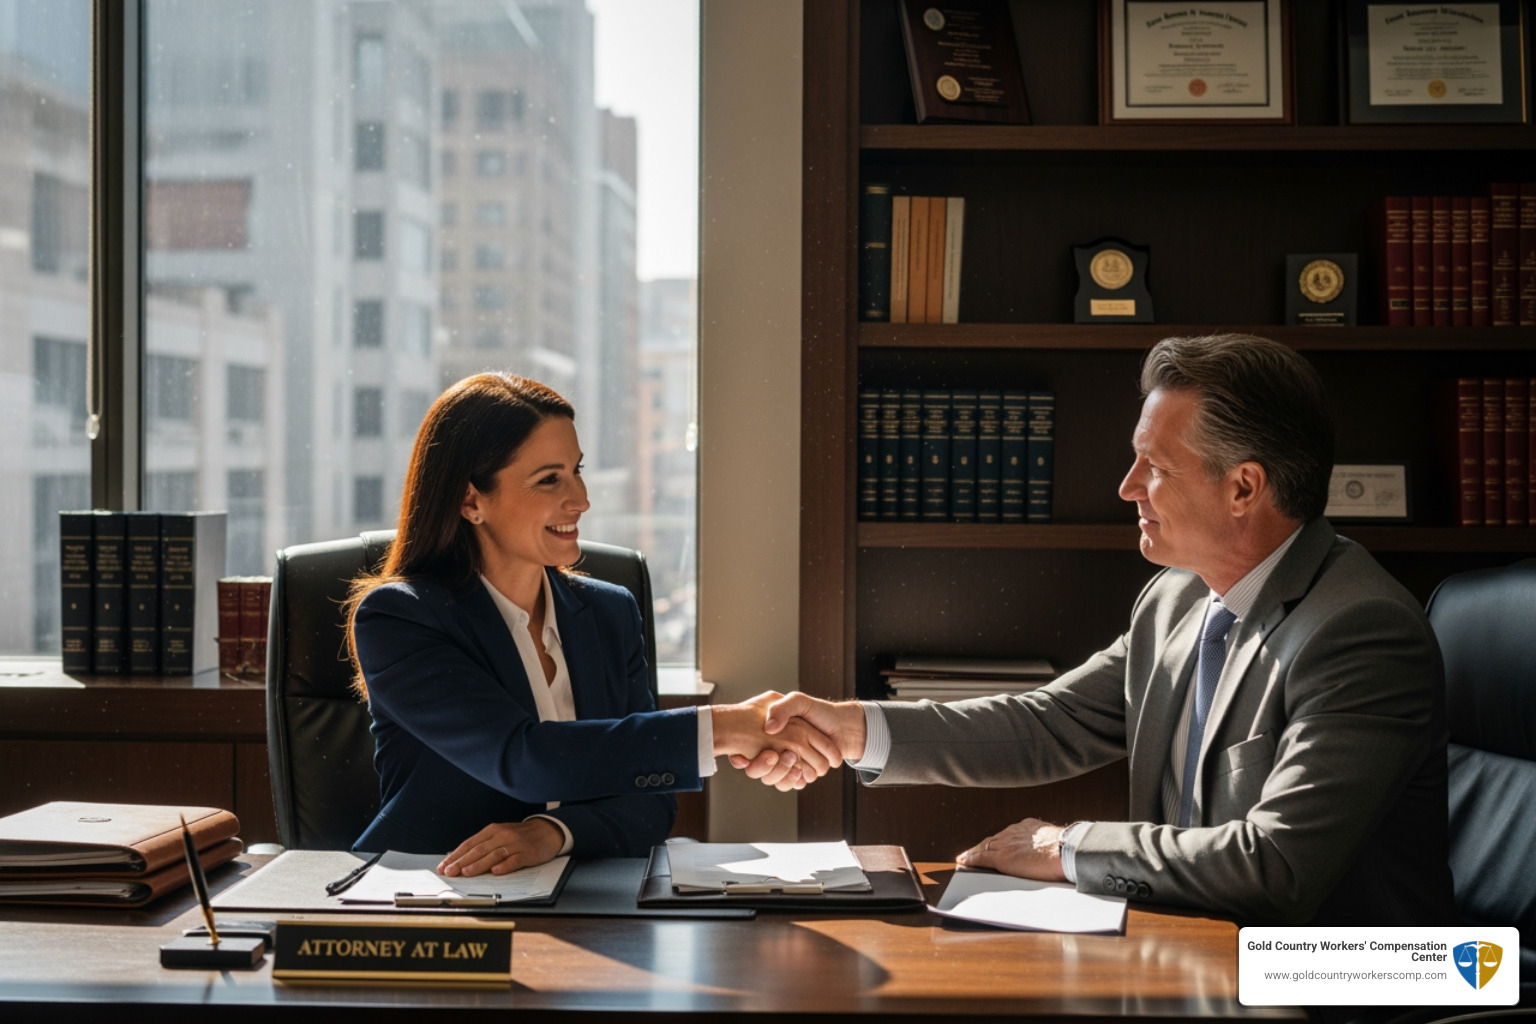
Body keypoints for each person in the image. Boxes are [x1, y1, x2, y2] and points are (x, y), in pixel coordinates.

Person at [747, 334, 1458, 927]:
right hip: (1205, 947)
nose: (1127, 487)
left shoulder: (1359, 632)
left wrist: (1066, 845)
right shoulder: (1178, 600)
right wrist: (851, 730)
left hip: (1364, 973)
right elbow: (1046, 725)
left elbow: (1276, 865)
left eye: (1156, 466)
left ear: (1244, 487)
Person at [347, 373, 836, 876]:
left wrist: (554, 834)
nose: (580, 498)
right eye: (549, 479)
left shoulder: (610, 612)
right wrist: (728, 728)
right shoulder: (400, 617)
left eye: (577, 471)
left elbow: (653, 800)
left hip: (590, 893)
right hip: (435, 893)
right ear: (471, 501)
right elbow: (524, 758)